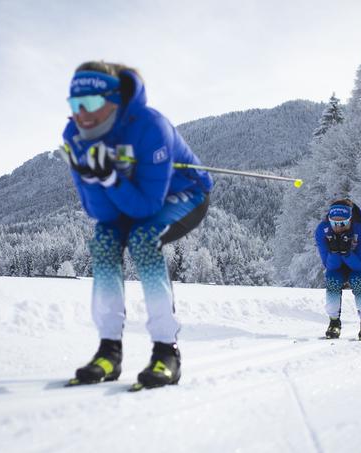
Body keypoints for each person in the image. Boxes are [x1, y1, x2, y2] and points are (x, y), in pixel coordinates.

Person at [59, 61, 213, 388]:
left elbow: (147, 207)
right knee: (104, 239)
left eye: (92, 103)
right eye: (75, 104)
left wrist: (111, 178)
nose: (82, 114)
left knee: (144, 238)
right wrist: (92, 180)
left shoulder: (150, 126)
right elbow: (101, 215)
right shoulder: (75, 135)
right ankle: (109, 351)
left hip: (185, 193)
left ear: (115, 100)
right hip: (127, 201)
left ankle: (166, 352)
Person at [315, 199, 361, 340]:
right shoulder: (322, 230)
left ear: (350, 219)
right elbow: (330, 266)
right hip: (337, 263)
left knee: (357, 279)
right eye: (334, 222)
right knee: (332, 279)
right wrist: (334, 251)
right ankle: (334, 322)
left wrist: (347, 252)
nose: (338, 227)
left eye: (342, 223)